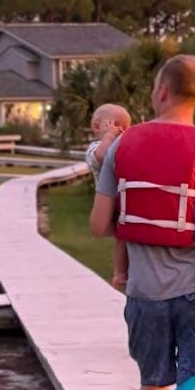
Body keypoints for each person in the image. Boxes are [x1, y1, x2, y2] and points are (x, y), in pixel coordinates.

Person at [90, 55, 195, 390]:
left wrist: (143, 223)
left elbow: (99, 225)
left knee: (152, 386)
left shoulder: (122, 148)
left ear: (161, 91)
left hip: (144, 293)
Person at [84, 103, 132, 292]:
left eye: (127, 127)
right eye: (116, 124)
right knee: (121, 236)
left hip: (125, 199)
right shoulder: (95, 147)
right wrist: (110, 136)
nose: (122, 130)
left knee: (126, 235)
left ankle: (128, 270)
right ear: (97, 127)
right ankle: (119, 271)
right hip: (108, 201)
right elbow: (103, 156)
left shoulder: (122, 145)